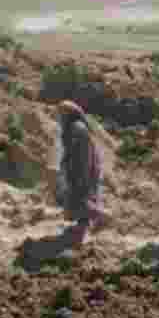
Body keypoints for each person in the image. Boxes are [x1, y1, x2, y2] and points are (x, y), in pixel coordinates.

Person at [55, 100, 105, 244]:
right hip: (77, 169)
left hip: (82, 169)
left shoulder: (77, 128)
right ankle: (83, 227)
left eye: (61, 113)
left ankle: (101, 218)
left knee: (82, 197)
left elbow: (82, 154)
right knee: (78, 198)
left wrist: (79, 173)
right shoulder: (71, 128)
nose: (59, 116)